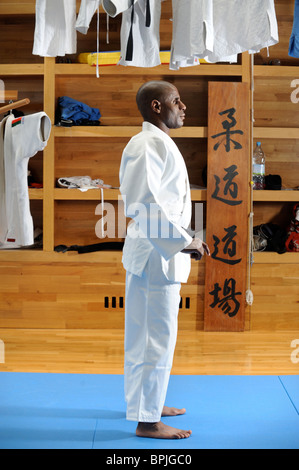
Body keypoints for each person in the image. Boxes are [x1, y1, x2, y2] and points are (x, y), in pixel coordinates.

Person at [119, 80, 209, 439]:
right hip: (157, 257)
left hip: (155, 255)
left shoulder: (156, 142)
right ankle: (148, 421)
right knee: (157, 337)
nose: (183, 106)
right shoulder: (146, 145)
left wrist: (185, 240)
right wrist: (185, 242)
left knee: (144, 336)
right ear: (156, 107)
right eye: (176, 101)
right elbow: (142, 202)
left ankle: (145, 406)